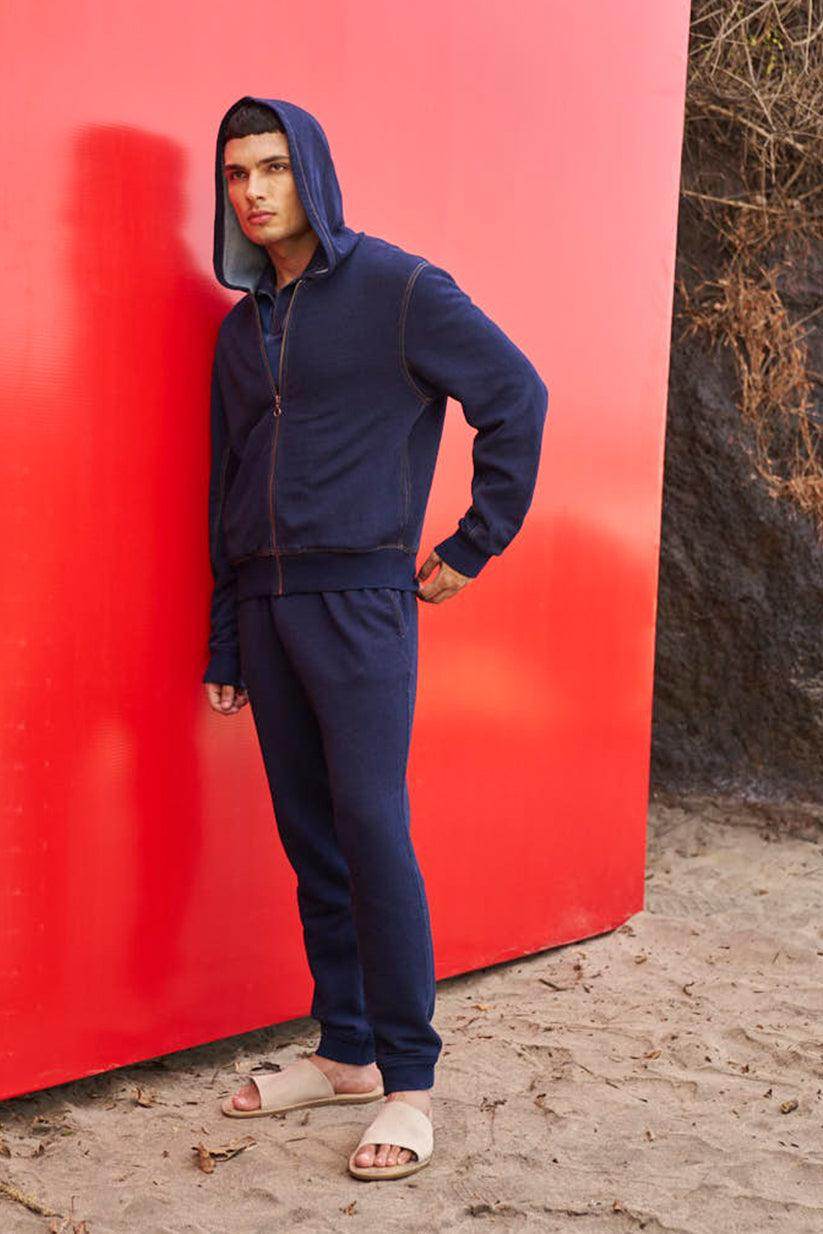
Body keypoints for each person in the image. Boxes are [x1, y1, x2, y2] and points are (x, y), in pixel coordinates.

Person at [202, 95, 549, 1181]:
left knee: (369, 827)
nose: (253, 191)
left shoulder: (398, 289)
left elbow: (516, 395)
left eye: (271, 167)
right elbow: (226, 487)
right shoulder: (239, 331)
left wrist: (473, 544)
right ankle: (345, 1050)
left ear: (311, 171)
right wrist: (226, 637)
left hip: (360, 602)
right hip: (267, 606)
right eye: (235, 174)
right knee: (310, 833)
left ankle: (408, 1080)